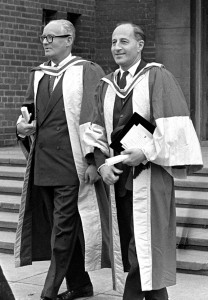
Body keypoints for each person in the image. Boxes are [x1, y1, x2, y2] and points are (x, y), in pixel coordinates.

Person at [83, 22, 203, 300]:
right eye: (113, 42)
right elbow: (96, 129)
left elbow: (175, 128)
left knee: (145, 245)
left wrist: (146, 152)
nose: (117, 47)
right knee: (133, 247)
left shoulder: (157, 77)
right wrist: (102, 164)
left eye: (124, 41)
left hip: (150, 178)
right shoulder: (106, 85)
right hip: (120, 182)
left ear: (140, 45)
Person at [14, 19, 110, 300]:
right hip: (43, 166)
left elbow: (96, 118)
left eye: (52, 37)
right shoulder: (38, 75)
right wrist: (20, 129)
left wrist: (94, 160)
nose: (46, 41)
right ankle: (80, 284)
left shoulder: (86, 71)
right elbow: (27, 114)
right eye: (43, 37)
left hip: (72, 165)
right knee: (61, 228)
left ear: (69, 40)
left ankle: (49, 292)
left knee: (63, 230)